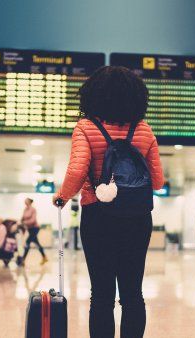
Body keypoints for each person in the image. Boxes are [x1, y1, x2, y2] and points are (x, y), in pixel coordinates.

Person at [53, 66, 164, 338]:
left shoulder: (86, 127)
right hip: (138, 217)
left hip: (98, 215)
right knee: (132, 294)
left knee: (101, 294)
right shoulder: (144, 130)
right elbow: (158, 181)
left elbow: (78, 171)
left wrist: (62, 197)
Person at [21, 198, 48, 265]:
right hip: (29, 229)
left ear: (30, 202)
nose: (25, 201)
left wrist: (24, 223)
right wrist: (20, 222)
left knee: (27, 242)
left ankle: (23, 260)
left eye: (26, 200)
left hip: (35, 228)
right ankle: (44, 257)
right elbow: (22, 218)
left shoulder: (33, 209)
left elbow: (33, 220)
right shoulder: (25, 209)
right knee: (37, 243)